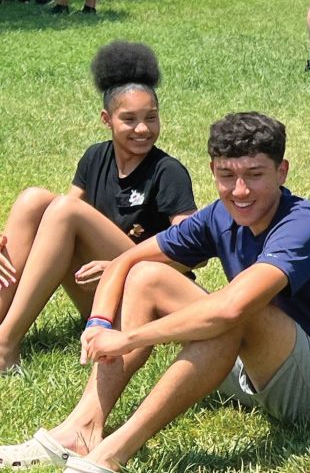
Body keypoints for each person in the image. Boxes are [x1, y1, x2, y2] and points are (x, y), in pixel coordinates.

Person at [0, 112, 310, 472]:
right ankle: (81, 429)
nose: (240, 190)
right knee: (148, 275)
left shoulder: (305, 225)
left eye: (255, 175)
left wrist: (128, 338)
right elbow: (124, 263)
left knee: (234, 312)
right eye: (227, 175)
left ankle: (111, 454)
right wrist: (99, 323)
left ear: (282, 171)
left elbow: (231, 309)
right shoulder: (219, 215)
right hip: (252, 371)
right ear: (213, 171)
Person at [0, 41, 196, 374]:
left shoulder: (168, 171)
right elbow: (51, 225)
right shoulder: (95, 157)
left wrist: (118, 264)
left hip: (146, 298)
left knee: (65, 210)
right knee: (34, 199)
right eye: (129, 119)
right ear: (107, 119)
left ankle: (5, 346)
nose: (143, 128)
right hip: (100, 293)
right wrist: (8, 239)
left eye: (151, 117)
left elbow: (194, 252)